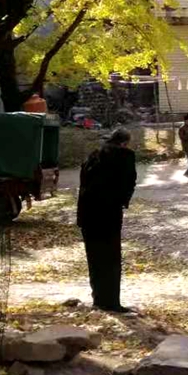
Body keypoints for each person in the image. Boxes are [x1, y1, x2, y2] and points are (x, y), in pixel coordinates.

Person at [77, 129, 138, 313]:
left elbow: (83, 180)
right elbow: (129, 182)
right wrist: (122, 200)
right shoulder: (124, 156)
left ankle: (98, 298)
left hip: (87, 213)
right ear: (124, 143)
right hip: (108, 213)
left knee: (95, 257)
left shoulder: (93, 155)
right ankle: (111, 301)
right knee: (110, 257)